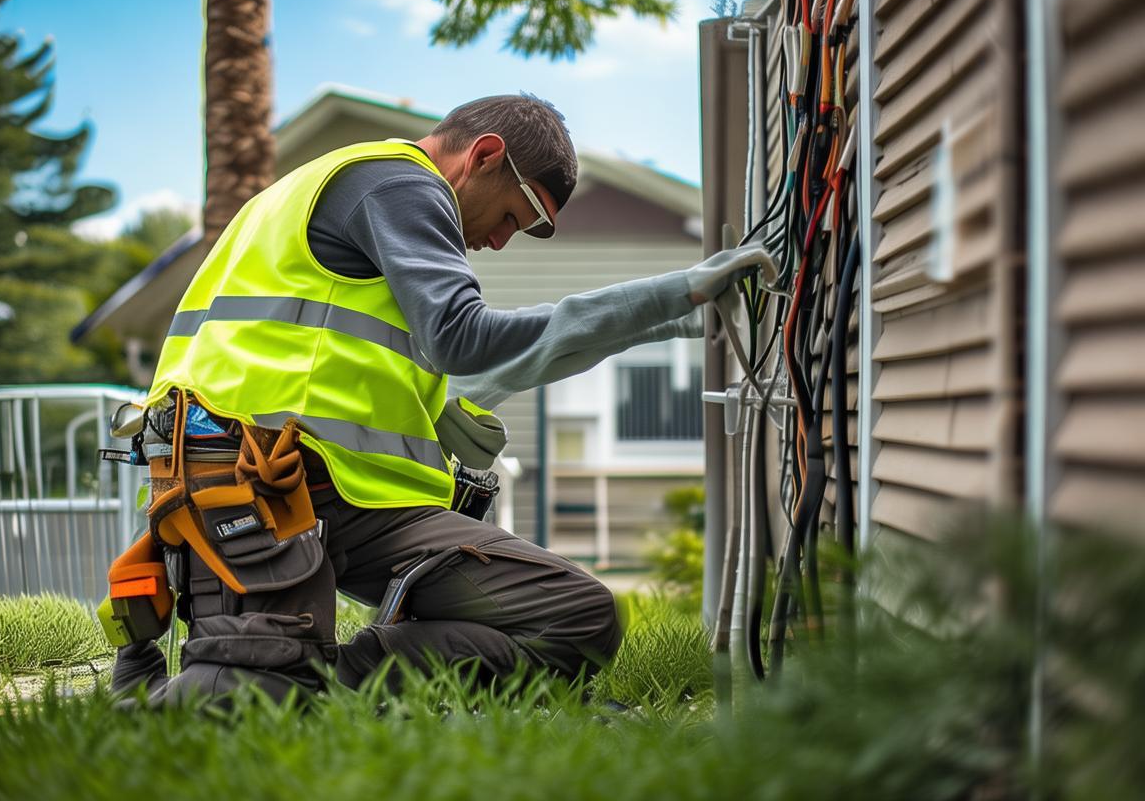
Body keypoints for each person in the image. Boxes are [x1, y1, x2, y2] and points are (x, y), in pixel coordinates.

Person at [105, 93, 771, 704]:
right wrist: (673, 294)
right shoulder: (397, 182)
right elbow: (464, 337)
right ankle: (202, 693)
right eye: (517, 215)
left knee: (577, 617)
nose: (501, 241)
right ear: (483, 156)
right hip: (252, 481)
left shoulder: (356, 201)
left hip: (360, 503)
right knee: (253, 702)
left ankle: (335, 682)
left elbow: (424, 355)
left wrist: (674, 320)